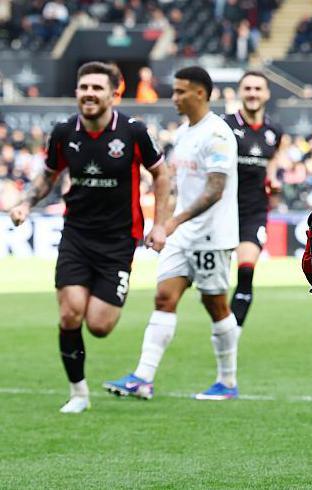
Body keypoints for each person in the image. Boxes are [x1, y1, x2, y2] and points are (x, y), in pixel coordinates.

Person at [8, 61, 170, 413]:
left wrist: (159, 224)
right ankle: (78, 392)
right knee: (69, 316)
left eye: (97, 88)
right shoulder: (65, 131)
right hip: (76, 236)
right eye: (84, 88)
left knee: (98, 325)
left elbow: (161, 174)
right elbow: (48, 176)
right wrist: (24, 203)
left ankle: (107, 303)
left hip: (119, 241)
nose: (89, 94)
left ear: (114, 93)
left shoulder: (133, 131)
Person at [104, 66, 242, 401]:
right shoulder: (184, 133)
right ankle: (143, 378)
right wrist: (164, 224)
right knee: (164, 298)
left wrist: (173, 222)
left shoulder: (218, 134)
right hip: (181, 234)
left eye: (181, 91)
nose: (174, 97)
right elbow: (177, 185)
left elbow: (215, 190)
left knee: (216, 306)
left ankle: (227, 381)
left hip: (212, 235)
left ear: (200, 93)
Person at [222, 71, 287, 327]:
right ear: (240, 92)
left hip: (254, 212)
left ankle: (233, 333)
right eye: (247, 88)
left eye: (258, 89)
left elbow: (272, 165)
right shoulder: (224, 125)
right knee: (213, 282)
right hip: (222, 211)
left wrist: (275, 185)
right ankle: (222, 327)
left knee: (246, 271)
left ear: (267, 94)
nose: (252, 93)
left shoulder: (274, 131)